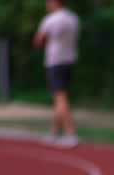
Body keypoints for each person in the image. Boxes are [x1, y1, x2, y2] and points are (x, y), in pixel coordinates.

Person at [34, 0, 80, 147]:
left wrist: (42, 43)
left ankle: (70, 133)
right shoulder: (73, 18)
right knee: (61, 98)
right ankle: (54, 133)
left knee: (60, 98)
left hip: (55, 61)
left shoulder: (50, 20)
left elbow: (39, 41)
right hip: (70, 60)